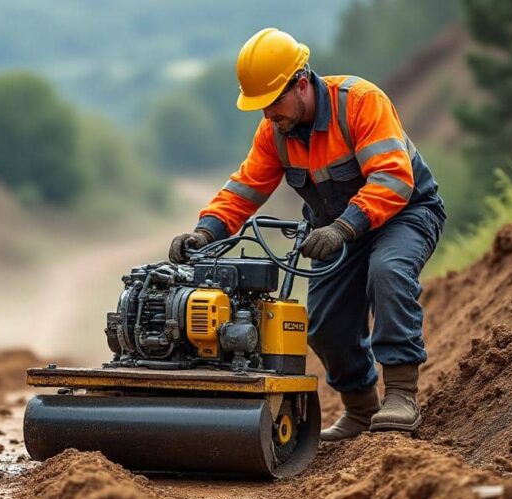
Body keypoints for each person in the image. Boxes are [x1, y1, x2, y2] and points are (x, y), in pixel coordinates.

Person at [169, 28, 446, 440]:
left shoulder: (361, 103)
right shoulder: (275, 134)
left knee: (388, 272)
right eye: (260, 108)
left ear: (301, 84)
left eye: (272, 104)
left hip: (404, 214)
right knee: (321, 322)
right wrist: (204, 232)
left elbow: (392, 179)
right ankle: (360, 409)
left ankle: (401, 395)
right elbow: (244, 190)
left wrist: (343, 228)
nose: (267, 116)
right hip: (336, 230)